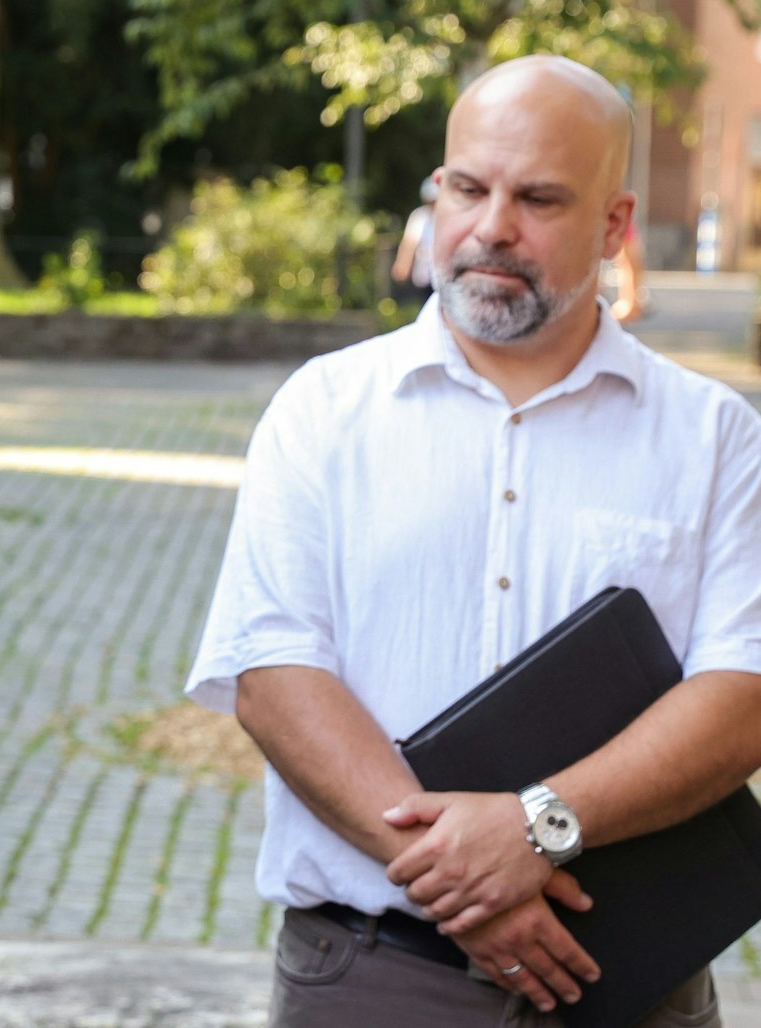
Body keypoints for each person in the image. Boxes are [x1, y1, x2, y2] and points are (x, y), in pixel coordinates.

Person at [187, 54, 761, 1026]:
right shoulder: (324, 409)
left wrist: (536, 826)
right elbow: (274, 670)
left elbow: (741, 689)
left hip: (626, 978)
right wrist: (459, 877)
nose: (493, 226)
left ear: (616, 224)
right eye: (467, 186)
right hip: (376, 973)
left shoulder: (712, 434)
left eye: (538, 197)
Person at [389, 177, 439, 306]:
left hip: (443, 274)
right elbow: (410, 243)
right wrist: (403, 264)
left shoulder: (449, 216)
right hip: (425, 274)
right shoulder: (420, 217)